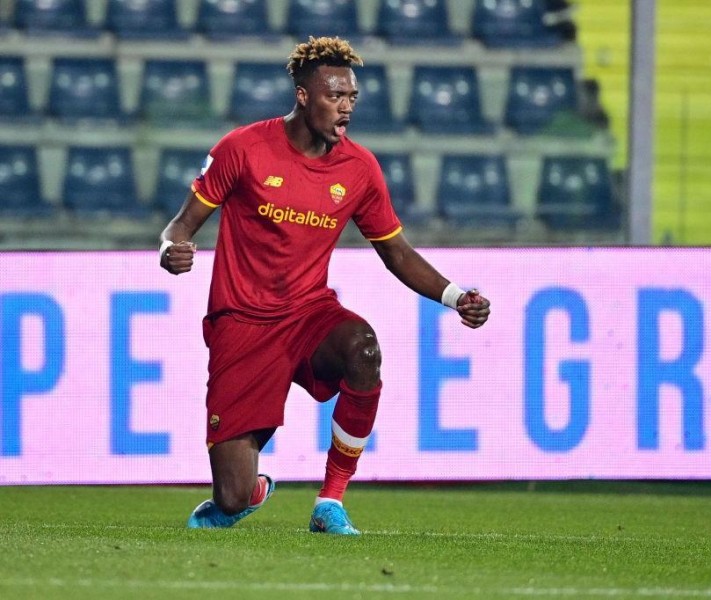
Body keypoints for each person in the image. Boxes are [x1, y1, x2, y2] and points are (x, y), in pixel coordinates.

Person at [158, 36, 491, 535]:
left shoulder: (359, 169)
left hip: (308, 315)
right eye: (335, 97)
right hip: (243, 323)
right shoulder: (242, 149)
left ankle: (330, 500)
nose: (346, 108)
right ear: (302, 96)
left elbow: (396, 252)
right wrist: (171, 250)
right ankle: (247, 491)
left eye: (352, 98)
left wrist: (454, 295)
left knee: (363, 348)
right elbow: (180, 226)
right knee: (230, 499)